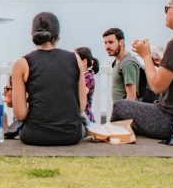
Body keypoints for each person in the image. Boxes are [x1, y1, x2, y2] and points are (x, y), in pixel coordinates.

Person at [110, 0, 173, 140]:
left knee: (120, 106)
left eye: (167, 8)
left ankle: (115, 145)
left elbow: (157, 86)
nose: (165, 12)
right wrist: (163, 64)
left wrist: (146, 55)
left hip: (170, 120)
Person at [11, 12, 86, 146]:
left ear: (32, 35)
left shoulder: (22, 63)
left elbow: (20, 114)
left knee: (16, 124)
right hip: (70, 135)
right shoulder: (75, 59)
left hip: (34, 135)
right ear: (57, 36)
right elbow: (81, 107)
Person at [102, 27, 140, 102]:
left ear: (121, 42)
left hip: (124, 112)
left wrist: (122, 113)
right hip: (119, 110)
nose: (107, 47)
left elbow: (131, 99)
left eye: (111, 42)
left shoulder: (127, 64)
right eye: (105, 43)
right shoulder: (118, 61)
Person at [73, 46, 99, 124]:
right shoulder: (82, 76)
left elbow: (81, 93)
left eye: (75, 59)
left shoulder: (88, 77)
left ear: (84, 62)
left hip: (85, 118)